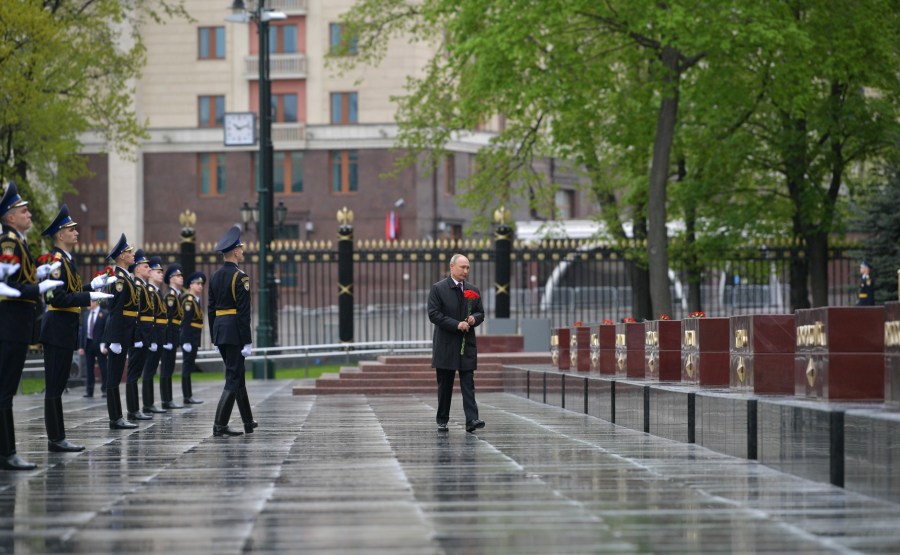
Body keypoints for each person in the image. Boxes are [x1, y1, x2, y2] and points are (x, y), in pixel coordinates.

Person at [38, 205, 113, 452]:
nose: (77, 233)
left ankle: (58, 437)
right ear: (60, 235)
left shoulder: (67, 260)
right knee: (54, 386)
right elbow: (55, 297)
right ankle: (55, 438)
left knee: (58, 386)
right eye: (71, 229)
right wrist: (87, 295)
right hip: (57, 327)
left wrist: (93, 285)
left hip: (65, 327)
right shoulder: (54, 261)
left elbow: (71, 290)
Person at [0, 181, 63, 469]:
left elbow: (20, 278)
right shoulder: (9, 241)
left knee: (8, 388)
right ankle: (7, 453)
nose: (29, 214)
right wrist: (37, 287)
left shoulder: (19, 241)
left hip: (18, 324)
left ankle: (8, 451)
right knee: (5, 389)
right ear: (10, 217)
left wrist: (37, 274)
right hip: (11, 323)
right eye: (23, 211)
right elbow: (8, 286)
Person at [427, 253, 486, 433]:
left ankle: (472, 420)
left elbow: (480, 312)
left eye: (468, 267)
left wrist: (474, 319)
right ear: (452, 267)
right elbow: (434, 314)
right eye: (462, 267)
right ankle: (442, 419)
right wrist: (456, 324)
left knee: (468, 383)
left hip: (466, 344)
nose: (465, 271)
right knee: (445, 384)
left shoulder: (473, 289)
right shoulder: (438, 289)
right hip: (446, 345)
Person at [207, 225, 256, 437]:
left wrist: (214, 336)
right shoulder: (240, 277)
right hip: (235, 332)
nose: (243, 251)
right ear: (235, 251)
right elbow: (244, 312)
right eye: (241, 248)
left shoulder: (215, 276)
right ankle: (220, 424)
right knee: (233, 378)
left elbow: (210, 309)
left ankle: (248, 421)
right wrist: (247, 341)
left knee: (237, 376)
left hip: (221, 330)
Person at [101, 233, 139, 430]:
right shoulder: (120, 280)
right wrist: (114, 339)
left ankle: (117, 416)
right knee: (113, 377)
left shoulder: (125, 277)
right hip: (118, 333)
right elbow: (115, 310)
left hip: (124, 332)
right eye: (130, 252)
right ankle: (115, 418)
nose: (133, 255)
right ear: (122, 256)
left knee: (116, 376)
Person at [125, 249, 154, 421]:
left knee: (136, 373)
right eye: (145, 266)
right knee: (133, 374)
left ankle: (135, 409)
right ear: (137, 269)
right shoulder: (137, 286)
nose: (149, 269)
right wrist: (136, 338)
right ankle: (133, 410)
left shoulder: (143, 286)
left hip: (145, 335)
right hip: (139, 336)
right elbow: (134, 314)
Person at [141, 256, 167, 415]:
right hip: (153, 338)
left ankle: (150, 403)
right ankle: (148, 404)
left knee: (151, 371)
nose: (160, 274)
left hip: (158, 337)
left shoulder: (157, 292)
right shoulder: (150, 292)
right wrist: (152, 340)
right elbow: (149, 317)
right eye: (157, 272)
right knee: (149, 371)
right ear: (150, 275)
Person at [159, 263, 184, 409]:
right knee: (166, 368)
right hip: (169, 337)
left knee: (170, 367)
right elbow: (166, 318)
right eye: (178, 276)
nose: (181, 278)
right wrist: (166, 339)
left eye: (181, 276)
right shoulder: (170, 296)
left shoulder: (176, 295)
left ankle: (168, 399)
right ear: (171, 279)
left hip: (174, 335)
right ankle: (166, 400)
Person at [180, 271, 206, 405]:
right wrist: (185, 341)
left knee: (189, 366)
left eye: (201, 284)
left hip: (195, 338)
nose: (200, 286)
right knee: (187, 366)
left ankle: (189, 395)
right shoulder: (189, 301)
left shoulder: (196, 300)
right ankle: (187, 395)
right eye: (197, 284)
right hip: (189, 339)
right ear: (191, 285)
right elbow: (185, 322)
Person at [80, 299, 109, 398]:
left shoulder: (104, 313)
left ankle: (105, 389)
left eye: (91, 301)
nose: (88, 304)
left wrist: (106, 346)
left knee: (103, 368)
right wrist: (81, 346)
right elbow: (83, 331)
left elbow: (107, 330)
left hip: (100, 345)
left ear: (96, 302)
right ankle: (89, 390)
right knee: (89, 368)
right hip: (88, 344)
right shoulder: (85, 314)